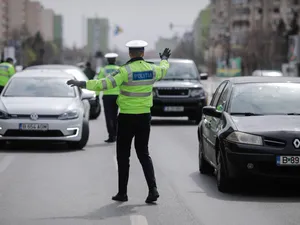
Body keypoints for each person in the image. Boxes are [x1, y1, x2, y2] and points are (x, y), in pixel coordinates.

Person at [66, 40, 171, 203]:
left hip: (127, 118)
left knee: (123, 156)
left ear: (130, 54)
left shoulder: (124, 71)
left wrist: (81, 83)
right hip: (144, 117)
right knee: (144, 153)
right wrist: (164, 58)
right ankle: (153, 189)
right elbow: (164, 70)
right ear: (142, 53)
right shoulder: (152, 69)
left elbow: (103, 84)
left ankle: (123, 193)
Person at [97, 53, 120, 143]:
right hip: (117, 96)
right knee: (115, 116)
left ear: (107, 60)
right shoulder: (119, 69)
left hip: (107, 96)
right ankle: (117, 134)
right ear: (115, 60)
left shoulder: (103, 70)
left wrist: (97, 95)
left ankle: (111, 136)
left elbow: (99, 83)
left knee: (108, 116)